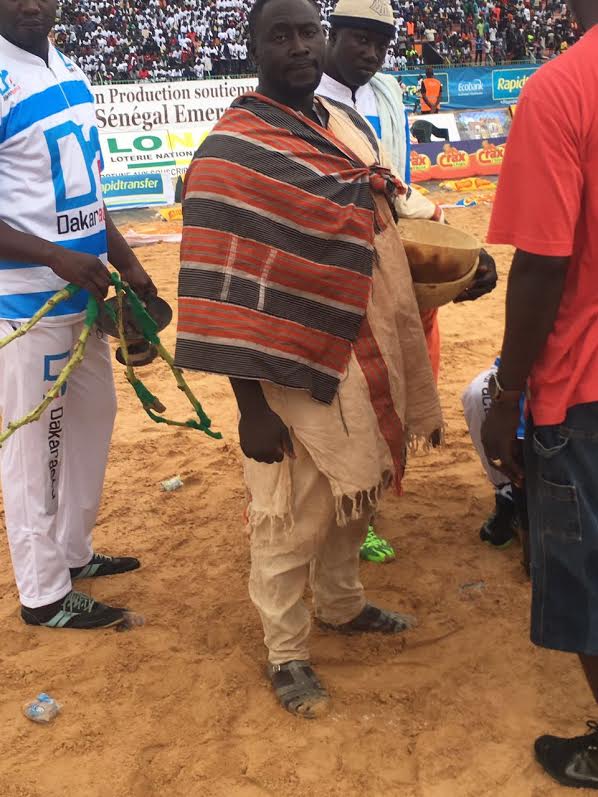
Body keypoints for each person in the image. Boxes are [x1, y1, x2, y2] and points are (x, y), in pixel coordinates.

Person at [175, 0, 443, 718]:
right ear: (254, 49)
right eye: (280, 36)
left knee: (360, 486)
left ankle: (343, 603)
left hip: (366, 345)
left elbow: (385, 217)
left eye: (307, 32)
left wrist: (453, 267)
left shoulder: (345, 126)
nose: (298, 46)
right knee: (290, 512)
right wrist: (249, 408)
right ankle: (287, 650)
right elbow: (220, 283)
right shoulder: (229, 153)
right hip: (286, 363)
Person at [318, 0, 497, 562]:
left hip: (397, 262)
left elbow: (397, 184)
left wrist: (441, 241)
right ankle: (351, 512)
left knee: (398, 387)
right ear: (332, 35)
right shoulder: (306, 98)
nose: (370, 53)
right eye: (359, 38)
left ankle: (371, 499)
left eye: (380, 43)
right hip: (340, 272)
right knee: (350, 397)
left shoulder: (388, 94)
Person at [0, 0, 155, 629]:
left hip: (85, 293)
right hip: (26, 302)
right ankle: (43, 594)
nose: (32, 4)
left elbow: (89, 189)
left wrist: (130, 263)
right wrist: (53, 256)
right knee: (35, 447)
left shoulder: (64, 65)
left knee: (94, 419)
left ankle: (71, 553)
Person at [481, 3, 598, 788]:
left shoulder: (563, 88)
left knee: (588, 578)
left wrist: (508, 393)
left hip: (584, 386)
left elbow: (544, 262)